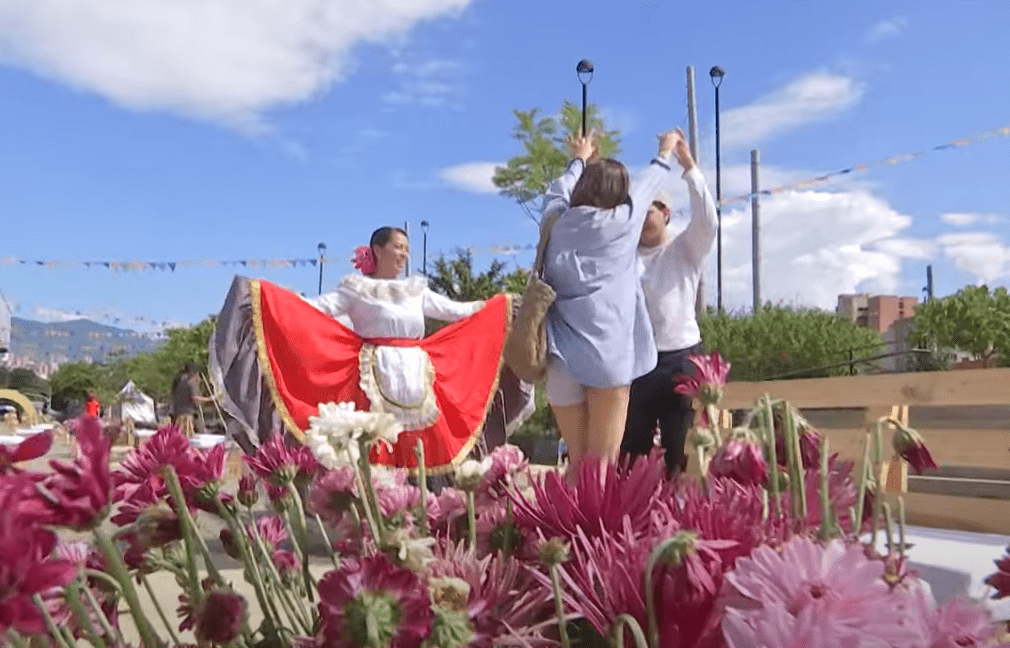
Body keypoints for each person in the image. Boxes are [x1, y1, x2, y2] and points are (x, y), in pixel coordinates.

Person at [210, 226, 531, 476]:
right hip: (368, 376)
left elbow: (457, 311)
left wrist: (499, 306)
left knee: (422, 439)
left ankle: (419, 503)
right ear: (377, 249)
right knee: (371, 440)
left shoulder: (416, 288)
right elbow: (320, 308)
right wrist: (274, 299)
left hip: (418, 373)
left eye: (406, 248)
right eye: (398, 247)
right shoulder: (356, 288)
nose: (404, 254)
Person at [542, 127, 683, 482]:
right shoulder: (624, 220)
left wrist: (579, 158)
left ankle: (558, 533)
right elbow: (651, 181)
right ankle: (592, 537)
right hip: (608, 358)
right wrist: (665, 150)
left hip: (559, 357)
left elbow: (557, 189)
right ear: (620, 195)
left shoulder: (556, 220)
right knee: (601, 469)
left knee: (576, 463)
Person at [622, 132, 718, 474]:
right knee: (631, 449)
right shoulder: (623, 256)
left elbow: (707, 220)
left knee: (681, 447)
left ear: (665, 213)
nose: (641, 218)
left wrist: (689, 167)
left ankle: (679, 513)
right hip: (636, 363)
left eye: (648, 210)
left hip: (681, 357)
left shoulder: (685, 248)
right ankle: (636, 515)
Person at [171, 363, 212, 437]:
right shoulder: (191, 382)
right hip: (188, 415)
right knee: (192, 434)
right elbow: (195, 398)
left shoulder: (178, 381)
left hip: (178, 414)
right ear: (195, 373)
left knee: (180, 436)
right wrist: (209, 399)